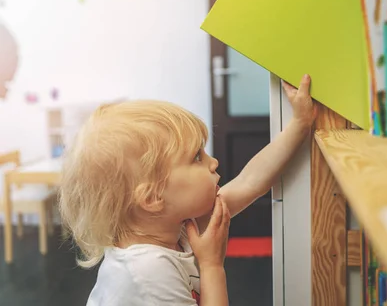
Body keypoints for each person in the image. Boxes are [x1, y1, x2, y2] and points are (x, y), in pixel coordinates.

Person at [59, 75, 316, 306]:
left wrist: (300, 123)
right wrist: (212, 265)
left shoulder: (173, 224)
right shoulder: (147, 271)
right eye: (196, 157)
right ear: (152, 197)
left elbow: (250, 182)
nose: (213, 162)